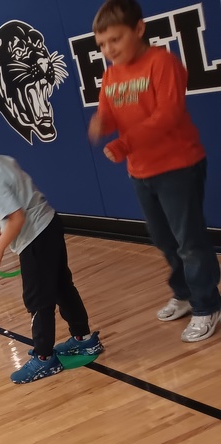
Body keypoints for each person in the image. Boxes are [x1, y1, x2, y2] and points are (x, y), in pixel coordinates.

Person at [90, 0, 220, 342]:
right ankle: (185, 294)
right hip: (141, 172)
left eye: (115, 40)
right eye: (102, 45)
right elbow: (110, 112)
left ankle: (207, 305)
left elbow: (168, 115)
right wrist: (103, 123)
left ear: (139, 29)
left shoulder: (162, 63)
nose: (108, 50)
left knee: (189, 241)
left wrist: (123, 144)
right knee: (164, 239)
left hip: (179, 166)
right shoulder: (111, 74)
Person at [0, 120, 102, 384]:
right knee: (62, 286)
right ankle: (84, 340)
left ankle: (43, 359)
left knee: (38, 300)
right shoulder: (1, 162)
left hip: (35, 238)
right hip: (49, 225)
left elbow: (16, 218)